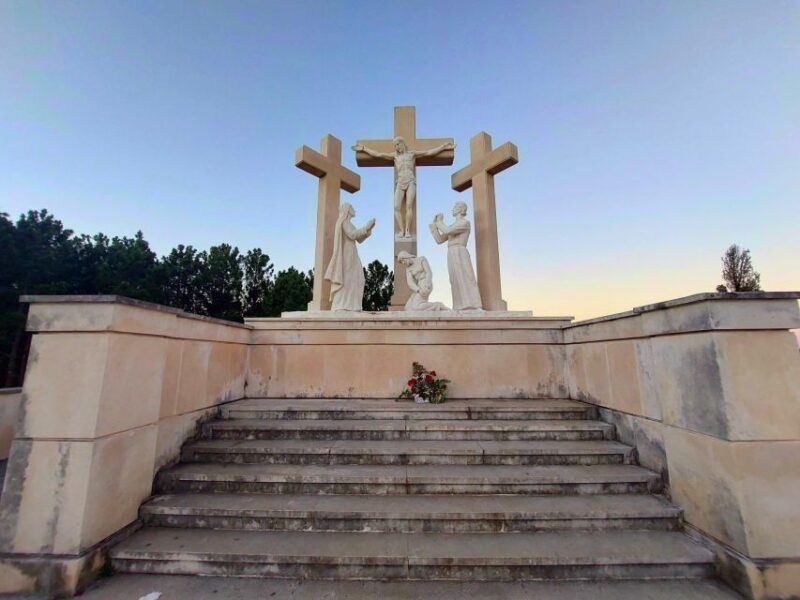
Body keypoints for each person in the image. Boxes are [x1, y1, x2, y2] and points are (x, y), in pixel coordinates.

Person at [352, 137, 455, 239]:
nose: (396, 147)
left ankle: (407, 231)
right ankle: (401, 230)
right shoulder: (395, 156)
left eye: (397, 144)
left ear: (402, 143)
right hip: (400, 182)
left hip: (410, 181)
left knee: (409, 206)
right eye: (395, 145)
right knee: (396, 207)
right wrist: (364, 149)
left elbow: (428, 153)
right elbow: (378, 154)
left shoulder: (412, 154)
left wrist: (442, 147)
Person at [429, 202, 483, 310]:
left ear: (460, 209)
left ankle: (473, 304)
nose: (452, 209)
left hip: (460, 251)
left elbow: (447, 230)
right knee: (454, 279)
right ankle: (460, 305)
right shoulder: (453, 225)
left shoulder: (464, 223)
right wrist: (434, 228)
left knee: (465, 276)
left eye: (455, 207)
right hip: (451, 252)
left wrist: (439, 221)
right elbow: (439, 240)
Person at [324, 203, 376, 311]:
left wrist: (368, 230)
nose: (354, 209)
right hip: (346, 256)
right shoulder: (343, 222)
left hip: (352, 254)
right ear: (347, 210)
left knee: (358, 278)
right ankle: (342, 305)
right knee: (348, 279)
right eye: (352, 207)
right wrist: (365, 227)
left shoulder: (349, 224)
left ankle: (352, 305)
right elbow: (353, 234)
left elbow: (359, 239)